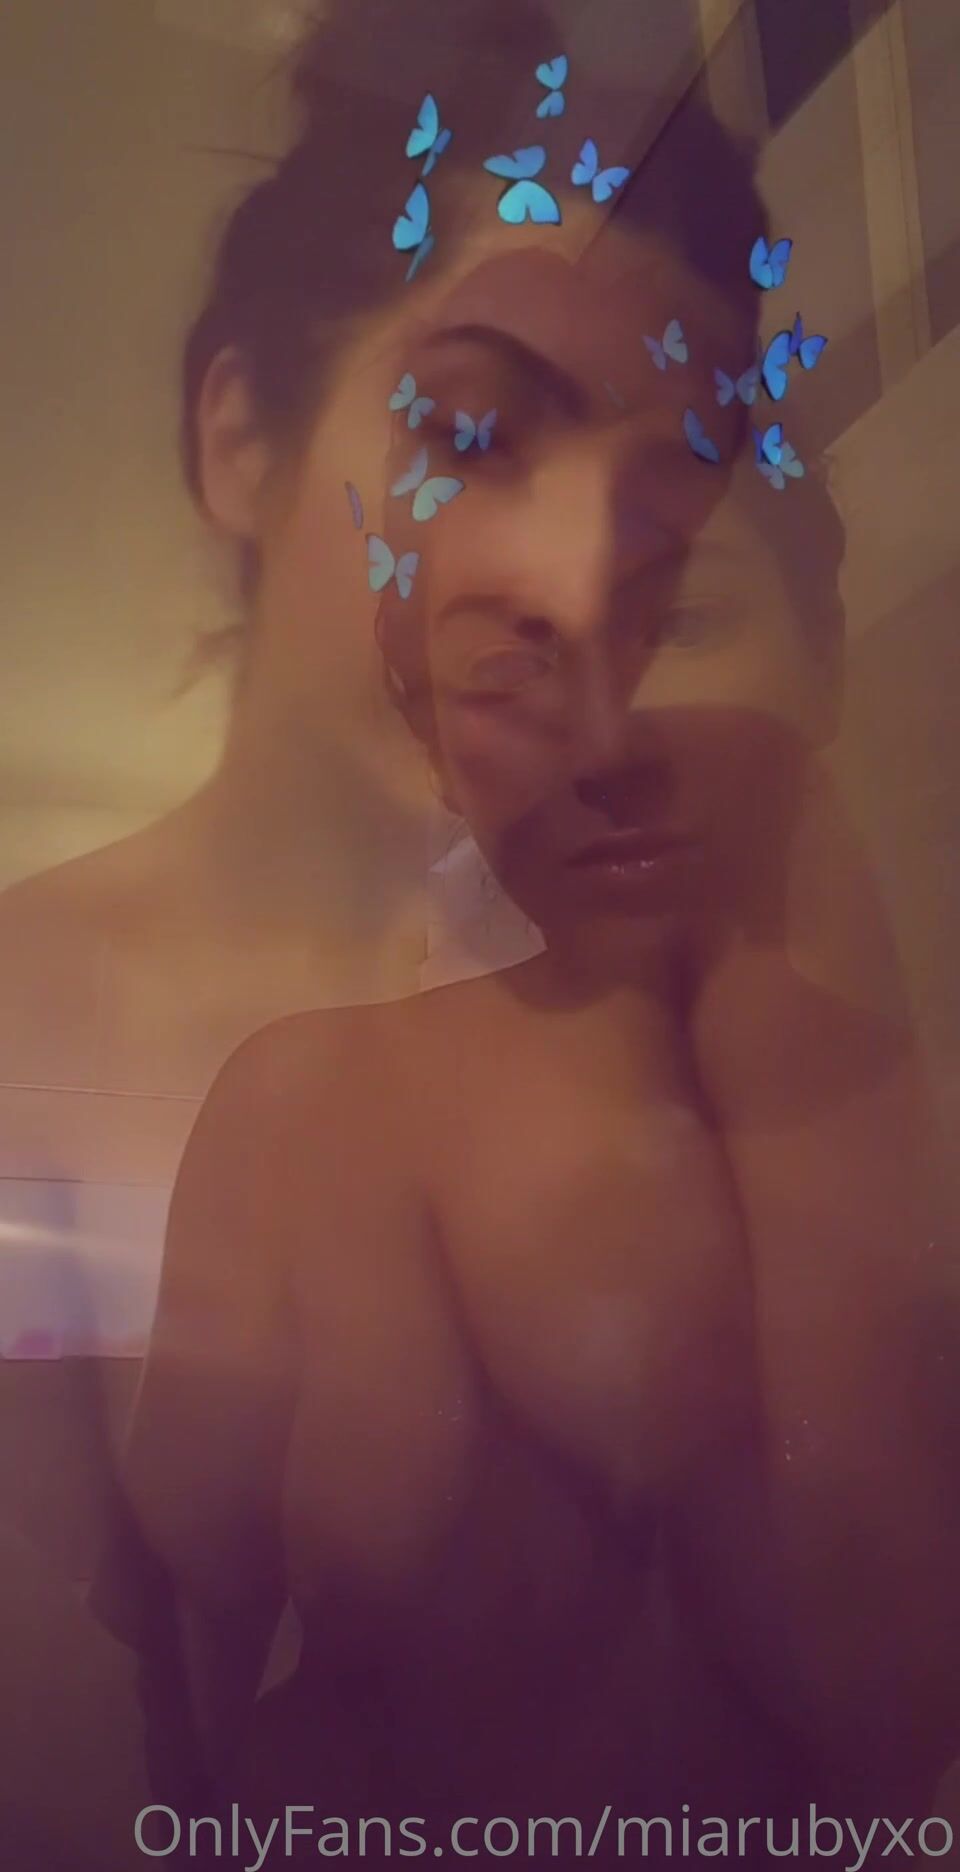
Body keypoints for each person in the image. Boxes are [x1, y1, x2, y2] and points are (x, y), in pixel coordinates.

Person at [97, 2, 960, 1865]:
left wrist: (781, 952)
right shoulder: (295, 1096)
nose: (605, 727)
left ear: (819, 658)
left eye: (681, 615)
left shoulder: (829, 1033)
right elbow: (171, 1620)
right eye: (513, 663)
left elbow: (888, 1693)